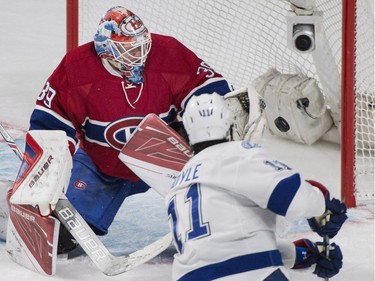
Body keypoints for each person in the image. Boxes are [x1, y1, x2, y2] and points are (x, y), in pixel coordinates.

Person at [20, 6, 234, 253]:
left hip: (170, 158)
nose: (141, 54)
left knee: (220, 220)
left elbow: (208, 89)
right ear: (106, 51)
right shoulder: (76, 68)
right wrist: (44, 179)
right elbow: (49, 124)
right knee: (64, 236)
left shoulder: (168, 52)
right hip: (102, 166)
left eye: (142, 45)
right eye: (130, 49)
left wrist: (207, 138)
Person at [165, 93, 347, 280]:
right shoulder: (237, 153)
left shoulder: (177, 186)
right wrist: (322, 205)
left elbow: (215, 251)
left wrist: (299, 255)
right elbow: (294, 199)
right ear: (230, 123)